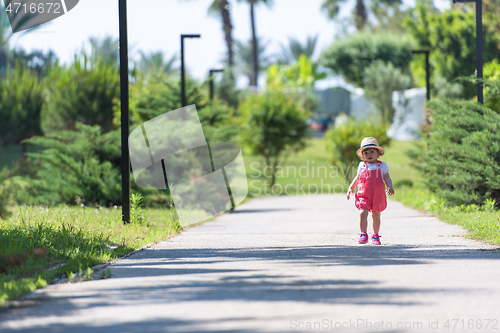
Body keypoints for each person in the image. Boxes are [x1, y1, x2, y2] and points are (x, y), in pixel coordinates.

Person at [346, 137, 394, 245]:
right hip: (364, 194)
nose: (369, 154)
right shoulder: (362, 165)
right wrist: (351, 188)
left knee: (376, 215)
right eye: (366, 152)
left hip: (377, 195)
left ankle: (375, 235)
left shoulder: (382, 165)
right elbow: (358, 178)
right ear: (363, 155)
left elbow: (387, 177)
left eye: (372, 151)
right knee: (362, 212)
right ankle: (363, 234)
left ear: (378, 153)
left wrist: (390, 186)